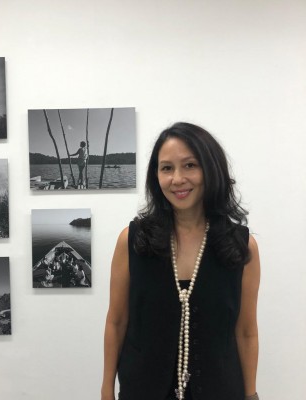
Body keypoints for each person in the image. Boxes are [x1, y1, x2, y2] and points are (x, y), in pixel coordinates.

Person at [101, 123, 260, 400]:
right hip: (142, 389)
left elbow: (246, 332)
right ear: (156, 176)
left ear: (211, 169)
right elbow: (116, 321)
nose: (177, 179)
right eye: (166, 168)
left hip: (221, 390)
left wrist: (251, 396)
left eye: (189, 165)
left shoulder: (242, 246)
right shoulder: (132, 240)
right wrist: (106, 391)